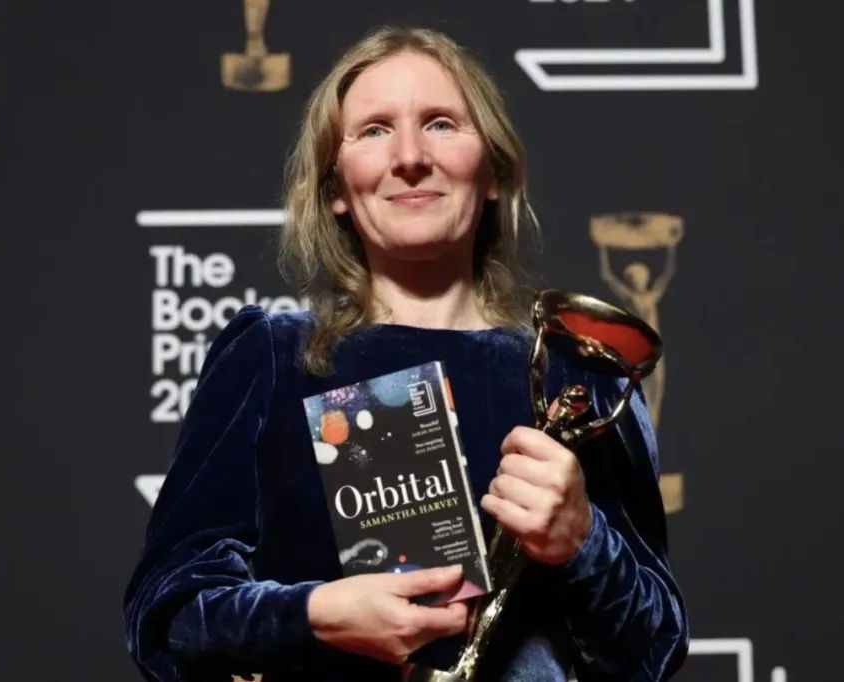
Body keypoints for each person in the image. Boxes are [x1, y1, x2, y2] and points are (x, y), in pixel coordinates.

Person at [123, 25, 688, 682]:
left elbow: (653, 651)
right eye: (374, 131)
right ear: (336, 187)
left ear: (495, 170)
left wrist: (583, 542)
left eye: (441, 123)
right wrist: (314, 615)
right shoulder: (272, 358)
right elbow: (165, 618)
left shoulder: (578, 373)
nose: (411, 156)